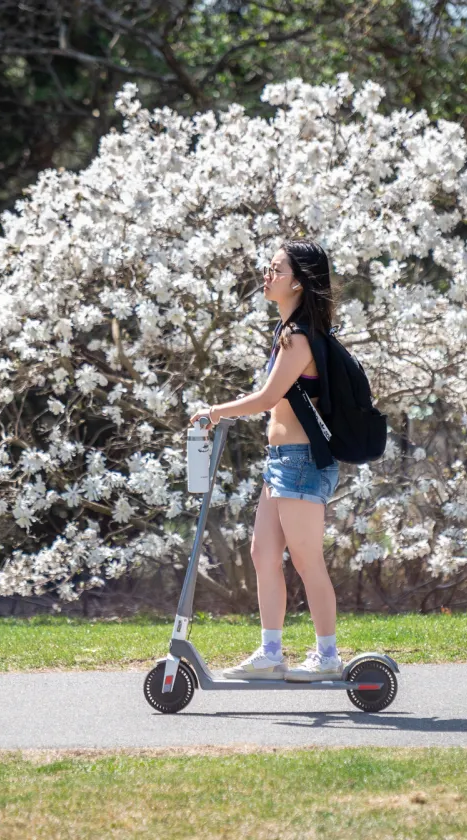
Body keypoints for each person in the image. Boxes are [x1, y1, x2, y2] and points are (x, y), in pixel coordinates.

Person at [187, 239, 342, 681]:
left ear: (297, 280)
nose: (266, 276)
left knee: (309, 560)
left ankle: (328, 657)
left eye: (275, 270)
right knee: (263, 553)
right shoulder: (290, 332)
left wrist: (216, 412)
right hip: (282, 460)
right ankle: (272, 652)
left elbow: (268, 398)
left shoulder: (298, 336)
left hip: (301, 460)